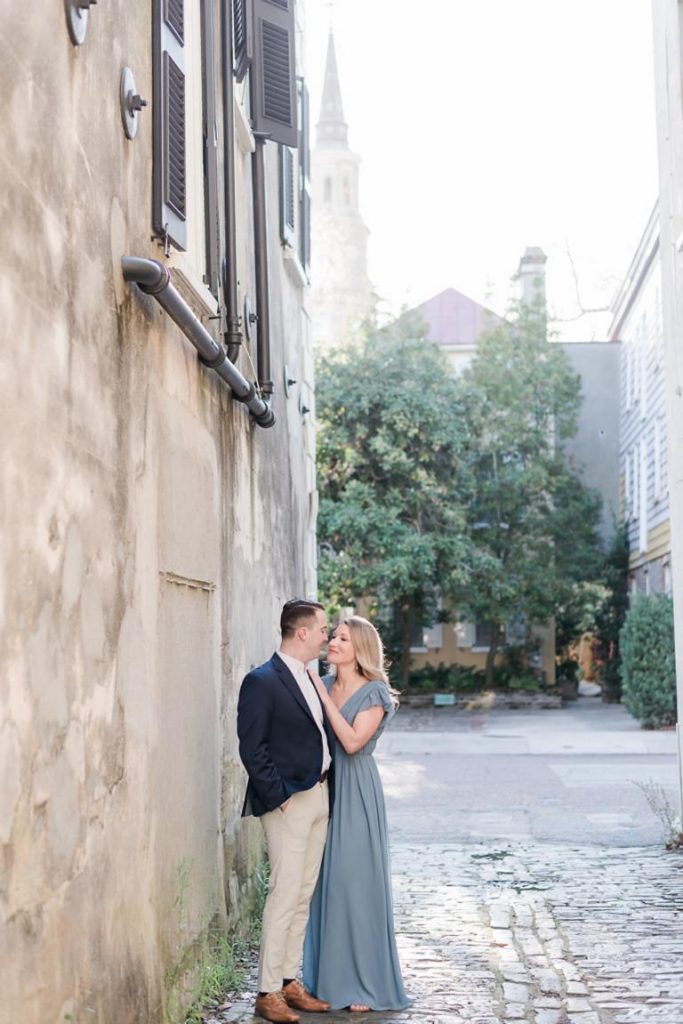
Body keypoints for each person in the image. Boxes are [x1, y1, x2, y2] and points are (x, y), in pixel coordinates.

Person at [303, 616, 410, 1012]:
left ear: (360, 648)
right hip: (323, 790)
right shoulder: (325, 683)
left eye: (342, 638)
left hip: (357, 793)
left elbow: (351, 742)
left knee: (355, 885)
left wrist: (320, 693)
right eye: (333, 636)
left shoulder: (374, 693)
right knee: (325, 886)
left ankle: (364, 985)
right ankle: (327, 980)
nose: (332, 641)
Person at [237, 599, 336, 1024]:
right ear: (301, 633)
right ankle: (265, 992)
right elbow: (251, 747)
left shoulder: (312, 678)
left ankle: (288, 981)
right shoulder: (262, 680)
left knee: (303, 892)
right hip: (288, 802)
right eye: (322, 629)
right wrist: (279, 796)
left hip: (319, 796)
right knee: (284, 891)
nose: (326, 636)